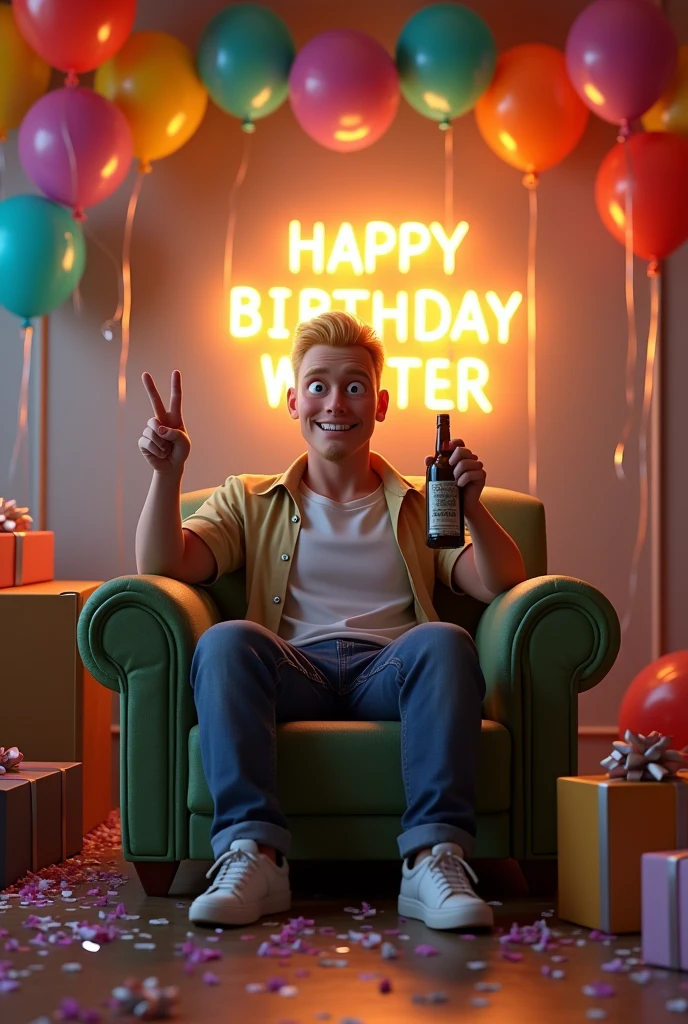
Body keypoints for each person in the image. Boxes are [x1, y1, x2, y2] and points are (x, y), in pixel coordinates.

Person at [135, 311, 526, 931]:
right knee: (226, 641)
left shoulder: (424, 501)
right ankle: (252, 854)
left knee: (447, 642)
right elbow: (163, 563)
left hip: (389, 673)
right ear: (292, 400)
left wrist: (473, 509)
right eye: (317, 385)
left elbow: (500, 582)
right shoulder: (247, 496)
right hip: (294, 671)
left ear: (381, 403)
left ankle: (434, 857)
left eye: (354, 386)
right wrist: (167, 473)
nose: (334, 402)